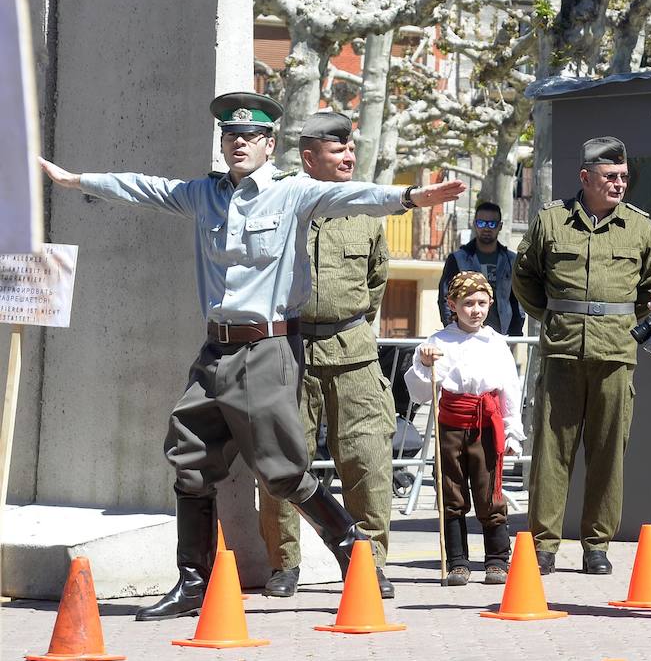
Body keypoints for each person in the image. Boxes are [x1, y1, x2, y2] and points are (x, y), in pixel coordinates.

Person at [38, 92, 467, 621]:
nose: (238, 144)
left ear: (268, 145)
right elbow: (144, 187)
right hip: (215, 350)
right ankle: (192, 583)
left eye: (250, 137)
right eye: (230, 136)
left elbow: (356, 197)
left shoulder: (294, 194)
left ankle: (353, 548)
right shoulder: (204, 194)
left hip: (266, 348)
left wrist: (412, 198)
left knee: (282, 470)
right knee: (189, 458)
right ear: (222, 144)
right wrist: (75, 181)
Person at [254, 111, 399, 600]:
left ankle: (369, 563)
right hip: (289, 351)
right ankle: (284, 564)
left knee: (368, 462)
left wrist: (349, 324)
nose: (349, 158)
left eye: (350, 150)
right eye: (338, 151)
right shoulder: (281, 203)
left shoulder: (366, 211)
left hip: (354, 354)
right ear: (309, 156)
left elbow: (376, 281)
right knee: (281, 463)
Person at [513, 137, 651, 576]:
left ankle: (596, 545)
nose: (620, 184)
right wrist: (553, 317)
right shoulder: (551, 221)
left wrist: (623, 323)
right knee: (551, 451)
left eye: (623, 177)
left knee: (607, 453)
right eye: (610, 177)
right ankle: (543, 545)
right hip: (562, 352)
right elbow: (524, 277)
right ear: (586, 178)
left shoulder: (640, 227)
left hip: (615, 354)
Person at [405, 271, 524, 586]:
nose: (476, 310)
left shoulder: (496, 342)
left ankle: (497, 560)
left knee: (490, 492)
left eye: (482, 302)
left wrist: (512, 430)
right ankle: (457, 562)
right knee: (451, 492)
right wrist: (424, 363)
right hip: (452, 427)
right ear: (452, 304)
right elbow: (419, 391)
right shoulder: (438, 341)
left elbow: (510, 388)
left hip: (487, 424)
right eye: (468, 303)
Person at [439, 202, 524, 336]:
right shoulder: (458, 258)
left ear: (500, 226)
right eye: (481, 223)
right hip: (465, 335)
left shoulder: (511, 260)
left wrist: (515, 335)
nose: (486, 228)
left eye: (491, 224)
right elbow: (445, 298)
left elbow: (518, 300)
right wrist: (453, 331)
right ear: (474, 224)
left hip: (502, 336)